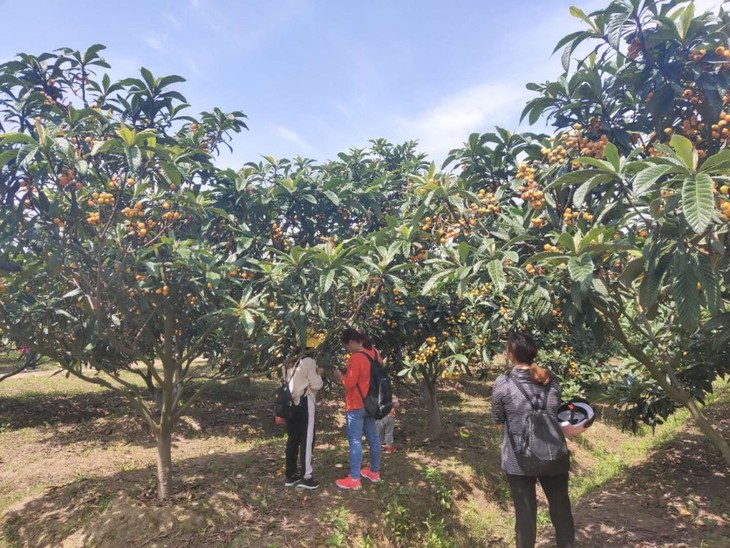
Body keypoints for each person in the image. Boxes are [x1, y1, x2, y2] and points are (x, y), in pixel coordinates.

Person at [491, 332, 575, 548]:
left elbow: (498, 420)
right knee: (561, 509)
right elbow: (558, 414)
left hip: (519, 459)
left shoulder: (504, 383)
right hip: (553, 455)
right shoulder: (549, 380)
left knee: (525, 515)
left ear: (511, 354)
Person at [332, 328, 382, 490]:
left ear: (352, 342)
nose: (347, 349)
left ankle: (354, 478)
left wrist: (339, 376)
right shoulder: (375, 353)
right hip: (372, 403)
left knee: (355, 440)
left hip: (356, 405)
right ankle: (374, 472)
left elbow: (349, 384)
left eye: (347, 346)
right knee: (373, 438)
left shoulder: (356, 358)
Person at [282, 348, 323, 489]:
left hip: (291, 404)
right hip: (305, 402)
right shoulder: (309, 362)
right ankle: (306, 476)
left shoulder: (288, 363)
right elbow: (316, 385)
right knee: (307, 439)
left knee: (293, 439)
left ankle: (290, 474)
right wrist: (319, 374)